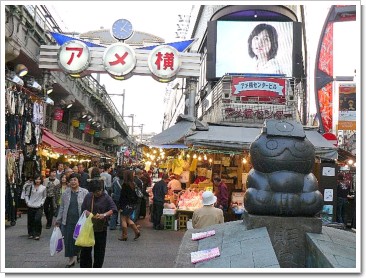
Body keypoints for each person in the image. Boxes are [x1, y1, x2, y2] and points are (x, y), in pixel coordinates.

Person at [79, 167, 117, 268]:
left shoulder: (106, 197)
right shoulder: (89, 196)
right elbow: (83, 209)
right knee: (86, 250)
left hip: (101, 227)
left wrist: (104, 215)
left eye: (99, 190)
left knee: (99, 250)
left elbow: (113, 209)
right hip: (88, 227)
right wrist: (87, 212)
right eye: (95, 191)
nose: (98, 193)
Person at [55, 173, 89, 268]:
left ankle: (78, 253)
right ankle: (71, 259)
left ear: (78, 181)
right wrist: (58, 220)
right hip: (68, 221)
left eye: (75, 180)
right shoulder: (66, 192)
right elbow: (62, 207)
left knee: (79, 239)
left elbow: (88, 206)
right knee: (69, 241)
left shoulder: (85, 192)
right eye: (71, 180)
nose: (73, 182)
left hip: (80, 222)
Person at [118, 170, 141, 241]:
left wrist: (120, 206)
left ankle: (124, 235)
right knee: (128, 218)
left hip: (125, 205)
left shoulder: (125, 185)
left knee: (123, 219)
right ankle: (136, 231)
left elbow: (122, 197)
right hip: (132, 205)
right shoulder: (134, 184)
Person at [23, 174, 46, 240]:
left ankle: (37, 233)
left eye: (39, 179)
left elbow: (44, 196)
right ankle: (31, 233)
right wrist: (27, 202)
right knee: (30, 220)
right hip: (30, 205)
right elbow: (26, 195)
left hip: (39, 206)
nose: (37, 180)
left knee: (37, 219)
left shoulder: (43, 188)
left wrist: (41, 203)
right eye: (36, 179)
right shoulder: (30, 187)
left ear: (41, 180)